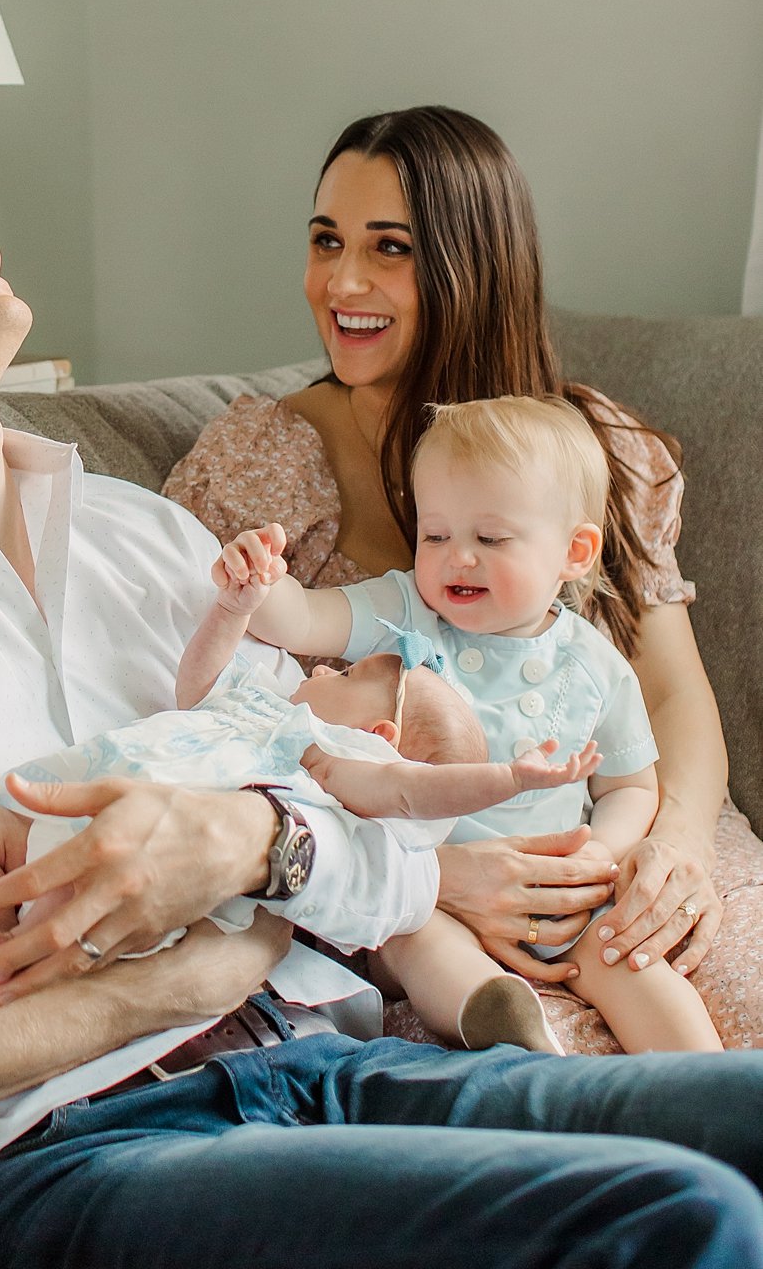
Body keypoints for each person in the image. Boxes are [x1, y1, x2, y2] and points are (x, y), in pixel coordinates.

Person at [0, 140, 763, 1269]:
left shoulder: (149, 539)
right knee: (674, 1220)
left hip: (326, 1065)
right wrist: (180, 981)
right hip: (57, 1158)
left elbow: (347, 811)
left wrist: (260, 851)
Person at [165, 104, 763, 1053]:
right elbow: (213, 728)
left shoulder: (592, 450)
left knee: (720, 1005)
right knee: (534, 1070)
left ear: (473, 264)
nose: (342, 281)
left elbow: (669, 690)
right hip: (399, 875)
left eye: (389, 247)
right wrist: (435, 877)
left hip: (619, 838)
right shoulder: (262, 460)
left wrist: (669, 846)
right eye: (327, 240)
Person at [0, 552, 596, 1056]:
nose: (319, 670)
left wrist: (507, 778)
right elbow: (197, 683)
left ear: (378, 737)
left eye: (346, 675)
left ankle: (11, 963)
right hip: (76, 813)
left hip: (151, 863)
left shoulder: (331, 764)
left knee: (74, 894)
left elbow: (413, 791)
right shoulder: (256, 710)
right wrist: (233, 609)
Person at [238, 395, 722, 1055]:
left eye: (489, 540)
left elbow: (632, 787)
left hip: (564, 896)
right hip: (426, 885)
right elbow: (301, 621)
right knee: (413, 935)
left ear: (575, 551)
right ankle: (499, 1020)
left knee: (631, 959)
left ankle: (709, 1085)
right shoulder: (406, 612)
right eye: (436, 535)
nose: (455, 558)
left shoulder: (596, 665)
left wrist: (597, 857)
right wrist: (260, 584)